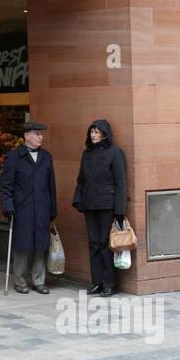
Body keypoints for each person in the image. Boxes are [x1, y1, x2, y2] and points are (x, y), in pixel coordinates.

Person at [0, 121, 58, 295]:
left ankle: (39, 281)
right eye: (37, 134)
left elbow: (51, 185)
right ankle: (20, 281)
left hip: (41, 207)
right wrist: (8, 206)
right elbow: (6, 186)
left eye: (41, 134)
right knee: (22, 246)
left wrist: (52, 208)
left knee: (41, 245)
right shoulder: (14, 157)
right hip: (22, 208)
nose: (41, 137)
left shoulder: (46, 157)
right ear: (26, 136)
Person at [72, 118, 127, 296]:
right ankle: (97, 282)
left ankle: (109, 283)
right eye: (92, 132)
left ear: (104, 134)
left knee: (105, 244)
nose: (93, 135)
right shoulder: (86, 153)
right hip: (90, 205)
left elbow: (120, 182)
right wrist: (78, 200)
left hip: (106, 205)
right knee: (94, 244)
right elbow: (81, 179)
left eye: (97, 132)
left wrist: (120, 209)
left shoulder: (115, 152)